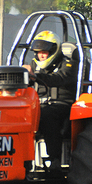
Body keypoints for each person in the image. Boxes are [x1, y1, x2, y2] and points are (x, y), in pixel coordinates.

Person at [23, 30, 78, 171]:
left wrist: (36, 76)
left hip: (63, 104)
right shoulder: (34, 64)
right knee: (20, 115)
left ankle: (55, 160)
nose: (40, 55)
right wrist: (23, 76)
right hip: (39, 103)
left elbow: (62, 78)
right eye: (38, 52)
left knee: (46, 115)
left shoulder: (68, 62)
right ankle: (23, 161)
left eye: (44, 52)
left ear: (53, 50)